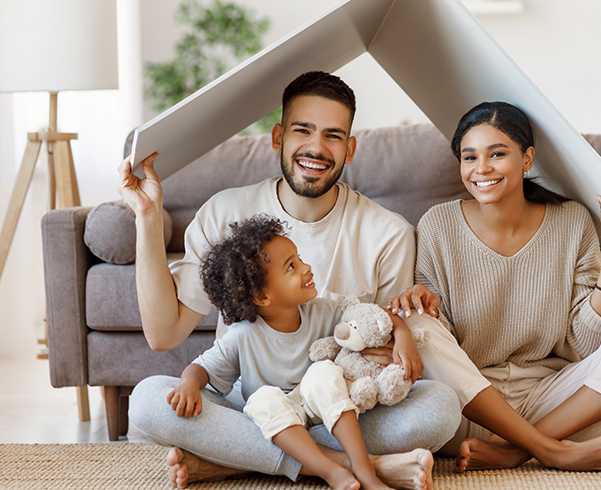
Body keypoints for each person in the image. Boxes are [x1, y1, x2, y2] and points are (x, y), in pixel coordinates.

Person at [118, 72, 460, 489]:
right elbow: (163, 334)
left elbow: (383, 344)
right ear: (278, 136)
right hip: (248, 402)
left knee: (441, 408)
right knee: (148, 401)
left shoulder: (389, 232)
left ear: (350, 148)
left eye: (333, 136)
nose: (316, 148)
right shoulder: (225, 210)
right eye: (303, 130)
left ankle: (237, 460)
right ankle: (357, 465)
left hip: (339, 408)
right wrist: (148, 217)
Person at [387, 101, 601, 473]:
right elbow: (439, 344)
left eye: (497, 154)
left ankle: (514, 450)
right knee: (417, 326)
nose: (481, 169)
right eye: (470, 157)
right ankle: (553, 451)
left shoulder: (572, 221)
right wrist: (422, 306)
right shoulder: (437, 225)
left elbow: (587, 344)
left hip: (553, 402)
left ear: (527, 159)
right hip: (470, 405)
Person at [170, 214, 425, 490]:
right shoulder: (242, 335)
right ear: (262, 297)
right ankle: (332, 471)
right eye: (291, 266)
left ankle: (364, 471)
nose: (306, 267)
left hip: (328, 413)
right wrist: (188, 384)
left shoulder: (322, 310)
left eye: (299, 258)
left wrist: (403, 335)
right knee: (258, 400)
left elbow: (371, 316)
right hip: (280, 424)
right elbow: (202, 368)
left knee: (324, 372)